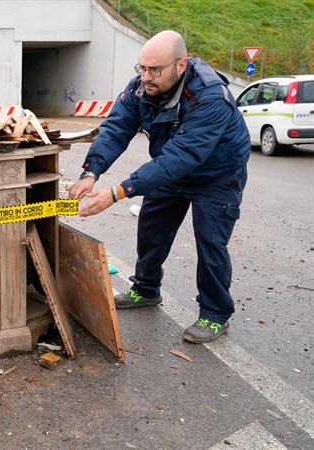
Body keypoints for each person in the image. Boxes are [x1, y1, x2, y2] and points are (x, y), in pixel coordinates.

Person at [68, 30, 250, 344]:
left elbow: (183, 156)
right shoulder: (141, 87)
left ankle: (215, 314)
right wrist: (91, 171)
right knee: (151, 228)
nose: (146, 77)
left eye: (155, 70)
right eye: (142, 68)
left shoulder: (210, 95)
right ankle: (146, 289)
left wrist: (118, 192)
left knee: (210, 242)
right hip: (171, 170)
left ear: (181, 65)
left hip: (217, 176)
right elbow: (117, 127)